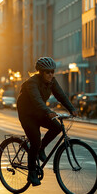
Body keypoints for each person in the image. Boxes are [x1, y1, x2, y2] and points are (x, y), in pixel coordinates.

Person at [17, 57, 78, 186]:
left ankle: (41, 149)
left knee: (57, 127)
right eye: (47, 72)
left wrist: (71, 109)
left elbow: (61, 95)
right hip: (27, 114)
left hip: (39, 111)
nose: (51, 74)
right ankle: (32, 173)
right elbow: (37, 99)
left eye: (52, 71)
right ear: (40, 72)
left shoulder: (52, 82)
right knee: (35, 140)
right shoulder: (31, 83)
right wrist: (48, 111)